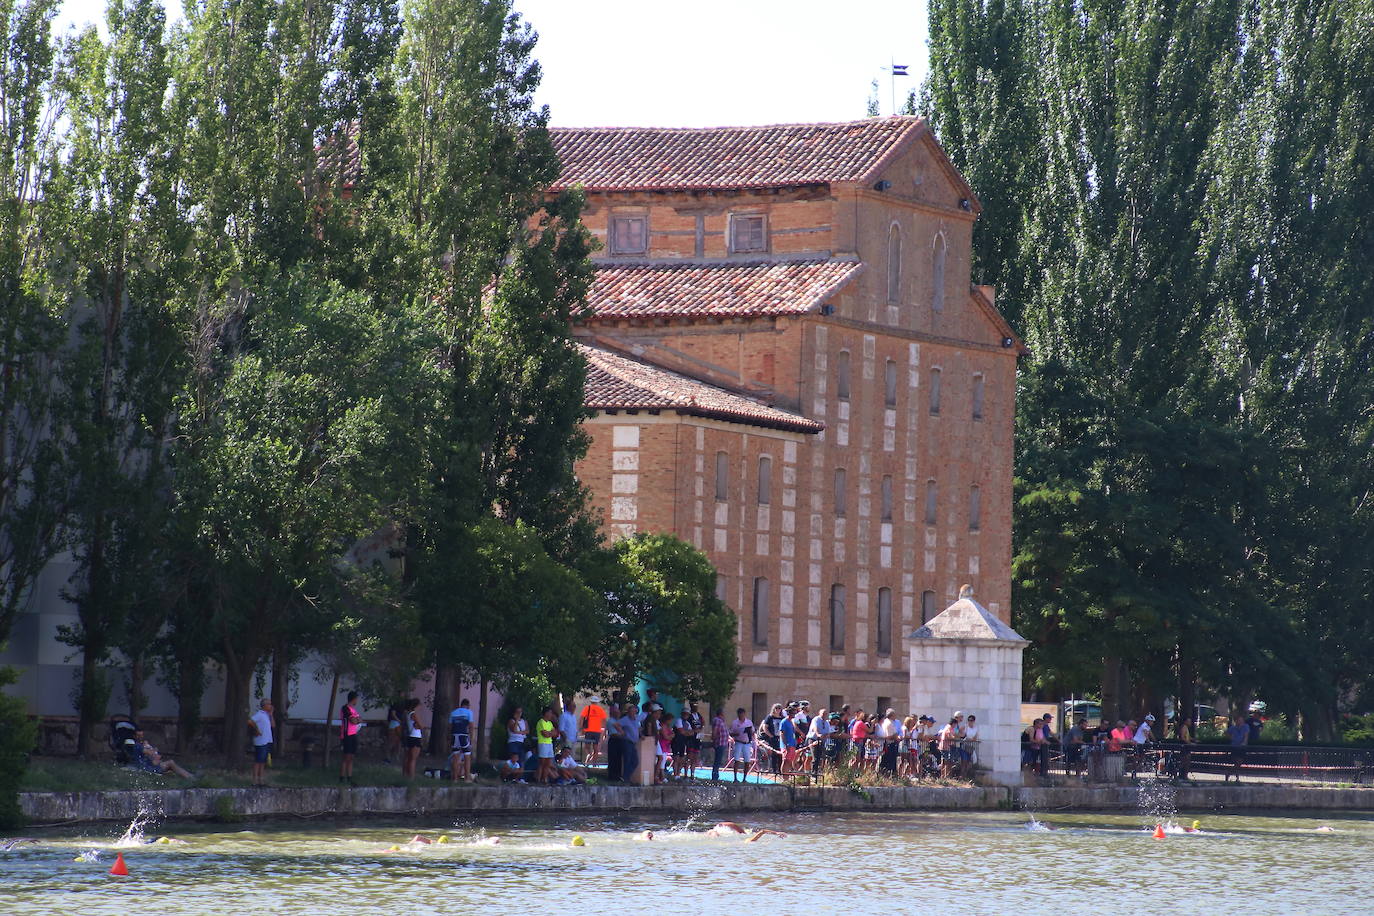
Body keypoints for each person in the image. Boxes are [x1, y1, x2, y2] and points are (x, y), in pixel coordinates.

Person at [248, 698, 274, 787]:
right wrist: (257, 730)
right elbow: (250, 721)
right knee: (258, 761)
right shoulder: (260, 714)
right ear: (265, 705)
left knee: (263, 761)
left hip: (267, 741)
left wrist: (271, 715)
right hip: (260, 741)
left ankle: (261, 780)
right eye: (269, 704)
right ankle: (254, 780)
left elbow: (273, 725)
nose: (271, 706)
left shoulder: (267, 715)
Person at [449, 697, 474, 783]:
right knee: (467, 757)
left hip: (454, 736)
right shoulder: (469, 712)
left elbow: (450, 726)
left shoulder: (453, 713)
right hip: (463, 736)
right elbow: (471, 726)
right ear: (467, 705)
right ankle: (467, 778)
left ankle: (455, 779)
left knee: (456, 757)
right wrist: (471, 738)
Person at [339, 691, 362, 785]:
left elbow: (360, 719)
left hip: (353, 734)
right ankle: (341, 777)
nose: (357, 701)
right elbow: (353, 720)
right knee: (346, 757)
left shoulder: (354, 710)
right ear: (353, 699)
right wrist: (356, 720)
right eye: (356, 699)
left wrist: (357, 720)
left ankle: (349, 777)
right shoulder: (345, 708)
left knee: (352, 757)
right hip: (347, 735)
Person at [580, 696, 607, 767]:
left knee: (587, 746)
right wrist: (603, 730)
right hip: (597, 731)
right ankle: (594, 763)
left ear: (591, 701)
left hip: (588, 731)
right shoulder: (600, 709)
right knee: (596, 748)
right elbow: (604, 720)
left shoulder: (587, 708)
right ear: (597, 702)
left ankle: (589, 755)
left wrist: (582, 728)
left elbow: (582, 718)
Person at [729, 707, 754, 782]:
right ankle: (735, 778)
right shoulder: (735, 723)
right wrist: (738, 733)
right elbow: (731, 733)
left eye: (742, 714)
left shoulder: (749, 722)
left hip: (746, 743)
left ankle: (744, 778)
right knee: (736, 760)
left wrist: (749, 733)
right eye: (740, 715)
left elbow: (752, 731)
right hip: (738, 742)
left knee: (747, 761)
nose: (741, 716)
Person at [535, 706, 558, 784]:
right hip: (543, 744)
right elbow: (545, 734)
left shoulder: (550, 723)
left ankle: (544, 779)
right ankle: (538, 779)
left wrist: (550, 733)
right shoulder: (541, 722)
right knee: (542, 763)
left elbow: (555, 734)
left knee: (548, 763)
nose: (551, 714)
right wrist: (551, 733)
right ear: (546, 713)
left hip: (549, 744)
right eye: (550, 713)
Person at [617, 704, 640, 783]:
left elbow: (637, 729)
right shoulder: (625, 719)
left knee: (635, 761)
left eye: (634, 711)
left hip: (633, 743)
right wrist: (622, 732)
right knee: (628, 760)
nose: (633, 713)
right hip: (627, 741)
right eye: (632, 711)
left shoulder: (636, 719)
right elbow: (616, 725)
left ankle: (626, 776)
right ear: (629, 712)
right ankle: (625, 778)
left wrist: (641, 735)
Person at [401, 698, 424, 779]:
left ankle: (405, 775)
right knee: (413, 759)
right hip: (415, 737)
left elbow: (417, 725)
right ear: (416, 705)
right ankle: (411, 777)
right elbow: (421, 726)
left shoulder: (408, 714)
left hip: (410, 736)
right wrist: (419, 726)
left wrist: (418, 725)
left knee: (407, 757)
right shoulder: (414, 714)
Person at [808, 709, 833, 777]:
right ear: (819, 713)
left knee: (820, 757)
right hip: (814, 740)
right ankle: (813, 774)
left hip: (822, 741)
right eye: (823, 714)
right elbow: (815, 728)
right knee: (815, 757)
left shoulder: (826, 723)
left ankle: (818, 772)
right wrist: (818, 734)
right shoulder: (816, 719)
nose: (824, 715)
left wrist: (825, 736)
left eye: (825, 714)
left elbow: (828, 732)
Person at [760, 704, 784, 775]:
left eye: (779, 708)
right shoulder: (769, 717)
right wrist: (770, 735)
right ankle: (774, 770)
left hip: (780, 738)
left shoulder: (782, 718)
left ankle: (780, 770)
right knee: (774, 754)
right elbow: (765, 727)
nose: (778, 710)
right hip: (773, 738)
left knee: (780, 755)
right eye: (776, 708)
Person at [1225, 713, 1249, 783]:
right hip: (1234, 747)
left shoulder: (1246, 726)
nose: (1240, 721)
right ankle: (1236, 777)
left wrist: (1244, 742)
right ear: (1236, 721)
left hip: (1242, 748)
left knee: (1239, 763)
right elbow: (1226, 733)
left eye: (1241, 720)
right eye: (1239, 720)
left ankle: (1229, 773)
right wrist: (1231, 737)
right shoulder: (1233, 728)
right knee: (1236, 762)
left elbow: (1246, 735)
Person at [604, 702, 624, 781]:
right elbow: (615, 733)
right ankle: (612, 776)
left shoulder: (618, 721)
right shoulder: (611, 721)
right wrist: (622, 734)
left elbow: (621, 731)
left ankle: (618, 775)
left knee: (618, 759)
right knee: (613, 759)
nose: (619, 714)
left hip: (619, 741)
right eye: (617, 713)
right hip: (614, 741)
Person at [710, 706, 730, 781]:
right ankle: (715, 777)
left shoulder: (721, 721)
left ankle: (716, 775)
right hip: (719, 743)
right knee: (717, 761)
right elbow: (715, 731)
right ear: (721, 713)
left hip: (723, 743)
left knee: (718, 760)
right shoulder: (717, 720)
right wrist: (714, 740)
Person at [878, 708, 900, 775]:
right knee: (891, 760)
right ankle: (890, 774)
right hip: (890, 744)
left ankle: (884, 773)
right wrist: (896, 736)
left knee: (885, 760)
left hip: (887, 744)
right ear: (892, 715)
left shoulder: (884, 722)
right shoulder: (889, 723)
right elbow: (890, 735)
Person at [779, 707, 799, 774]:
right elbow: (782, 733)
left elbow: (792, 733)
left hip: (792, 744)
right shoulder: (784, 722)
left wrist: (795, 740)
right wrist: (785, 744)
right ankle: (783, 777)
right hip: (786, 745)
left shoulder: (791, 722)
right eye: (793, 713)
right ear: (789, 713)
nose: (794, 714)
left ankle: (787, 776)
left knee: (790, 761)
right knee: (785, 761)